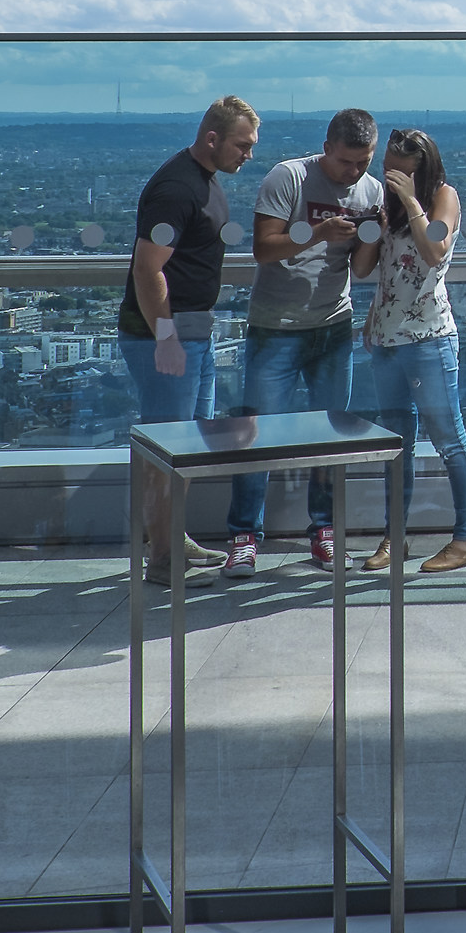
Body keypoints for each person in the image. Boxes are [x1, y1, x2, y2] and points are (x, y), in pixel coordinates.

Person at [224, 109, 384, 577]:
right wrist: (317, 231)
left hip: (333, 326)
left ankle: (325, 531)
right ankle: (243, 536)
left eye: (363, 163)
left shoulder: (370, 191)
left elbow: (360, 269)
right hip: (276, 326)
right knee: (256, 435)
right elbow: (264, 247)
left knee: (330, 437)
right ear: (327, 147)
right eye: (346, 163)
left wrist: (375, 230)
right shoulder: (289, 177)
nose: (354, 173)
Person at [119, 96, 262, 588]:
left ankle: (171, 539)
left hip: (191, 333)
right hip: (167, 335)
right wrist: (166, 336)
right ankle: (161, 559)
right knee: (166, 448)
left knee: (185, 444)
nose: (248, 155)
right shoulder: (176, 189)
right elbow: (147, 267)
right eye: (242, 146)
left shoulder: (204, 181)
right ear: (212, 139)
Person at [364, 129, 466, 574]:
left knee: (450, 442)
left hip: (429, 338)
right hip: (386, 340)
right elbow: (365, 268)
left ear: (420, 168)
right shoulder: (387, 204)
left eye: (399, 168)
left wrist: (412, 202)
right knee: (397, 446)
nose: (389, 176)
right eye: (386, 167)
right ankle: (395, 538)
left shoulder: (443, 198)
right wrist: (370, 225)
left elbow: (434, 251)